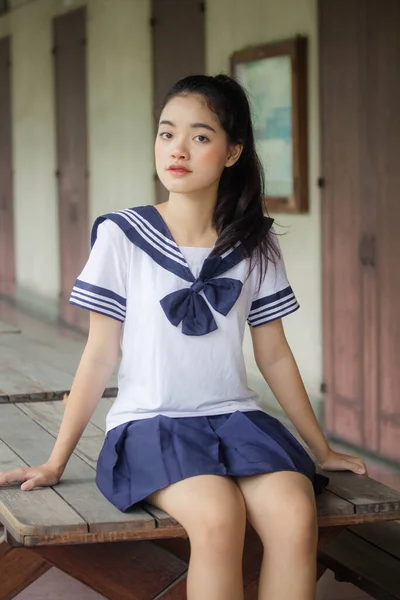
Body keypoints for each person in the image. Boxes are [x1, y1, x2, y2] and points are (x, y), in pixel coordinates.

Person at [0, 74, 367, 600]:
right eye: (167, 133)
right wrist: (57, 460)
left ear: (232, 151)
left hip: (237, 421)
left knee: (294, 514)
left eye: (200, 136)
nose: (177, 149)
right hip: (152, 424)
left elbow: (275, 355)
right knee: (218, 518)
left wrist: (321, 446)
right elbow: (99, 353)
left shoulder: (254, 242)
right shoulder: (122, 235)